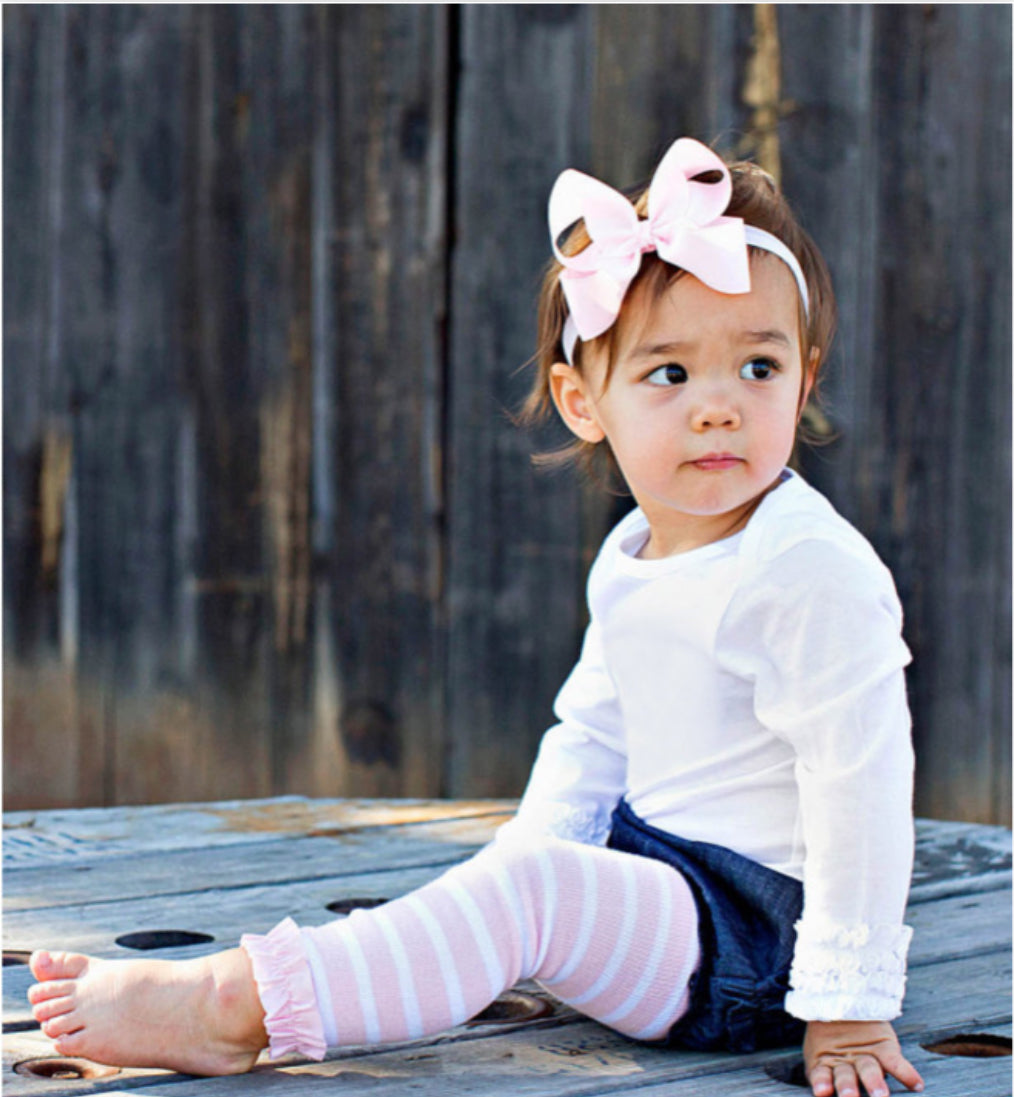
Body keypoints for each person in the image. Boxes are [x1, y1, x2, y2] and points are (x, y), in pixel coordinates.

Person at [27, 137, 925, 1097]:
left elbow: (861, 783)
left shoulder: (805, 566)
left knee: (527, 895)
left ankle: (232, 1005)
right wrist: (516, 879)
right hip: (665, 886)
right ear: (585, 402)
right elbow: (594, 735)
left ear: (806, 377)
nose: (719, 407)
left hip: (761, 938)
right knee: (516, 885)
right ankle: (405, 949)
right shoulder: (635, 555)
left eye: (758, 367)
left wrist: (848, 1004)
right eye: (669, 375)